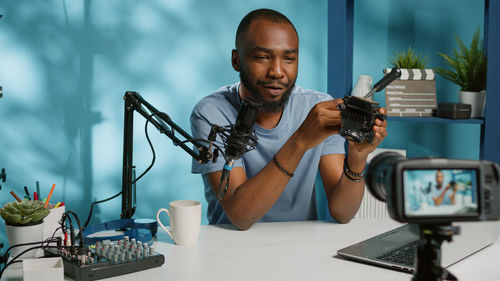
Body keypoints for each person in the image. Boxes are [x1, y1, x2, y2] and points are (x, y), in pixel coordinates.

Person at [190, 8, 388, 230]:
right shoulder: (211, 113)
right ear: (236, 60)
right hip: (230, 244)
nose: (277, 71)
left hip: (298, 248)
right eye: (263, 57)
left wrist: (357, 158)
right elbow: (241, 216)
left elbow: (342, 213)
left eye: (289, 59)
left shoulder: (317, 107)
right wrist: (301, 140)